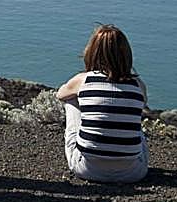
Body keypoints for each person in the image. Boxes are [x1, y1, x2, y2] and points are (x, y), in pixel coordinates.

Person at [55, 24, 149, 183]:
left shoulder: (83, 80)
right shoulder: (138, 84)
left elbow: (60, 94)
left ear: (92, 51)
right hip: (134, 173)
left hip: (87, 169)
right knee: (132, 113)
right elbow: (143, 103)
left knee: (70, 100)